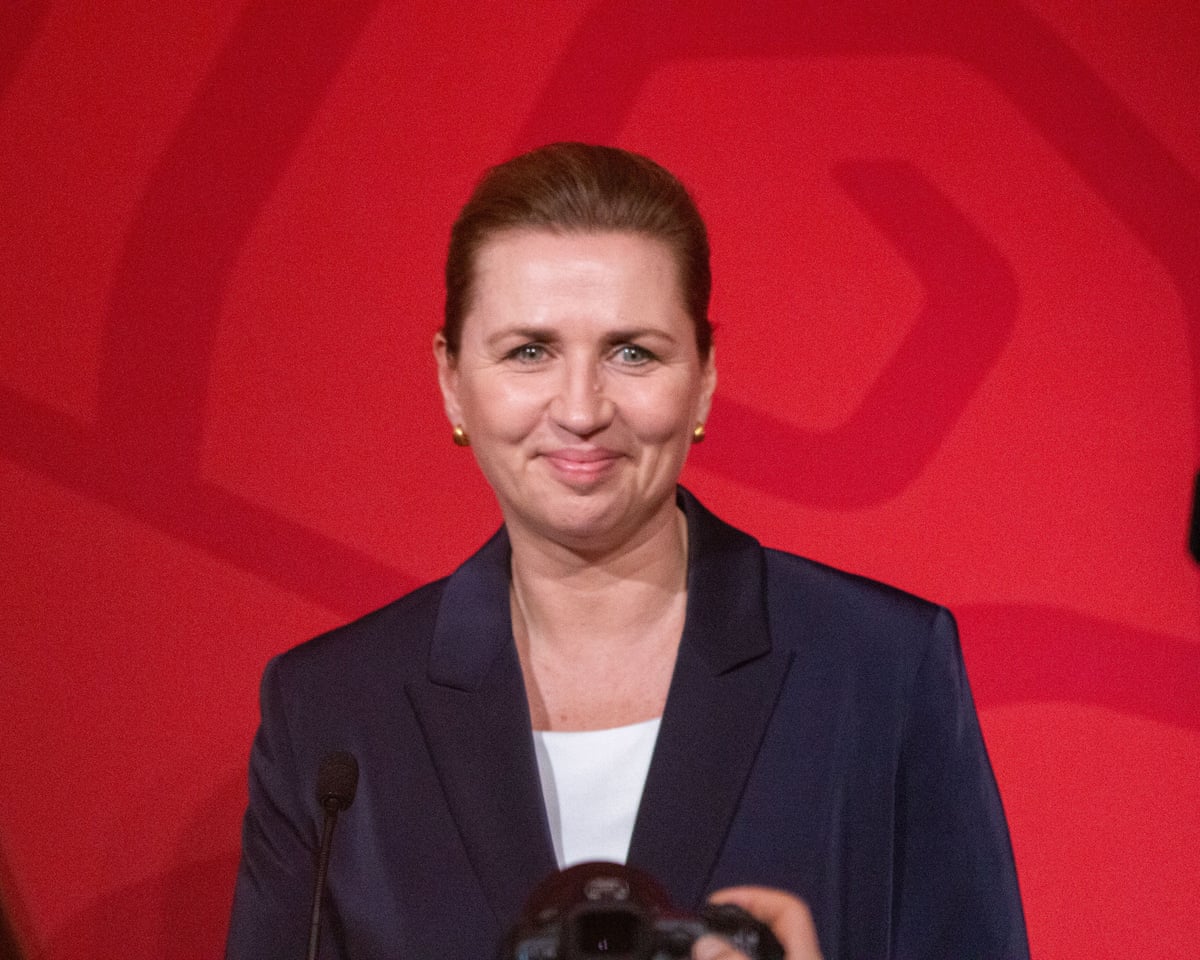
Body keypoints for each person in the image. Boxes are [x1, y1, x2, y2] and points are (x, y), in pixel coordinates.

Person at [226, 143, 1028, 960]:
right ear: (452, 380)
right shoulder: (333, 712)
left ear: (704, 377)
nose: (581, 410)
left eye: (632, 352)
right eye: (529, 351)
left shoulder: (879, 669)